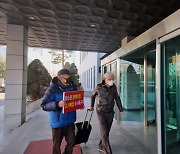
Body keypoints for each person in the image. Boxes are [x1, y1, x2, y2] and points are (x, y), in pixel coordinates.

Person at [41, 69, 77, 154]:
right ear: (60, 78)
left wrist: (79, 104)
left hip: (70, 121)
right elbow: (44, 105)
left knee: (72, 143)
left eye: (69, 78)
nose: (68, 80)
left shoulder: (72, 87)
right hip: (58, 123)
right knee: (56, 146)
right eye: (66, 78)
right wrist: (57, 105)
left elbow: (75, 99)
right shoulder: (52, 89)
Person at [89, 72, 124, 154]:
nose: (111, 81)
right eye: (109, 79)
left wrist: (121, 109)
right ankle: (108, 151)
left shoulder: (113, 87)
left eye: (112, 79)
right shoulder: (99, 87)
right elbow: (93, 96)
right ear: (105, 79)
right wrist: (91, 106)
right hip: (100, 111)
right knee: (104, 132)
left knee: (106, 131)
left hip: (110, 111)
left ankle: (101, 145)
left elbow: (117, 98)